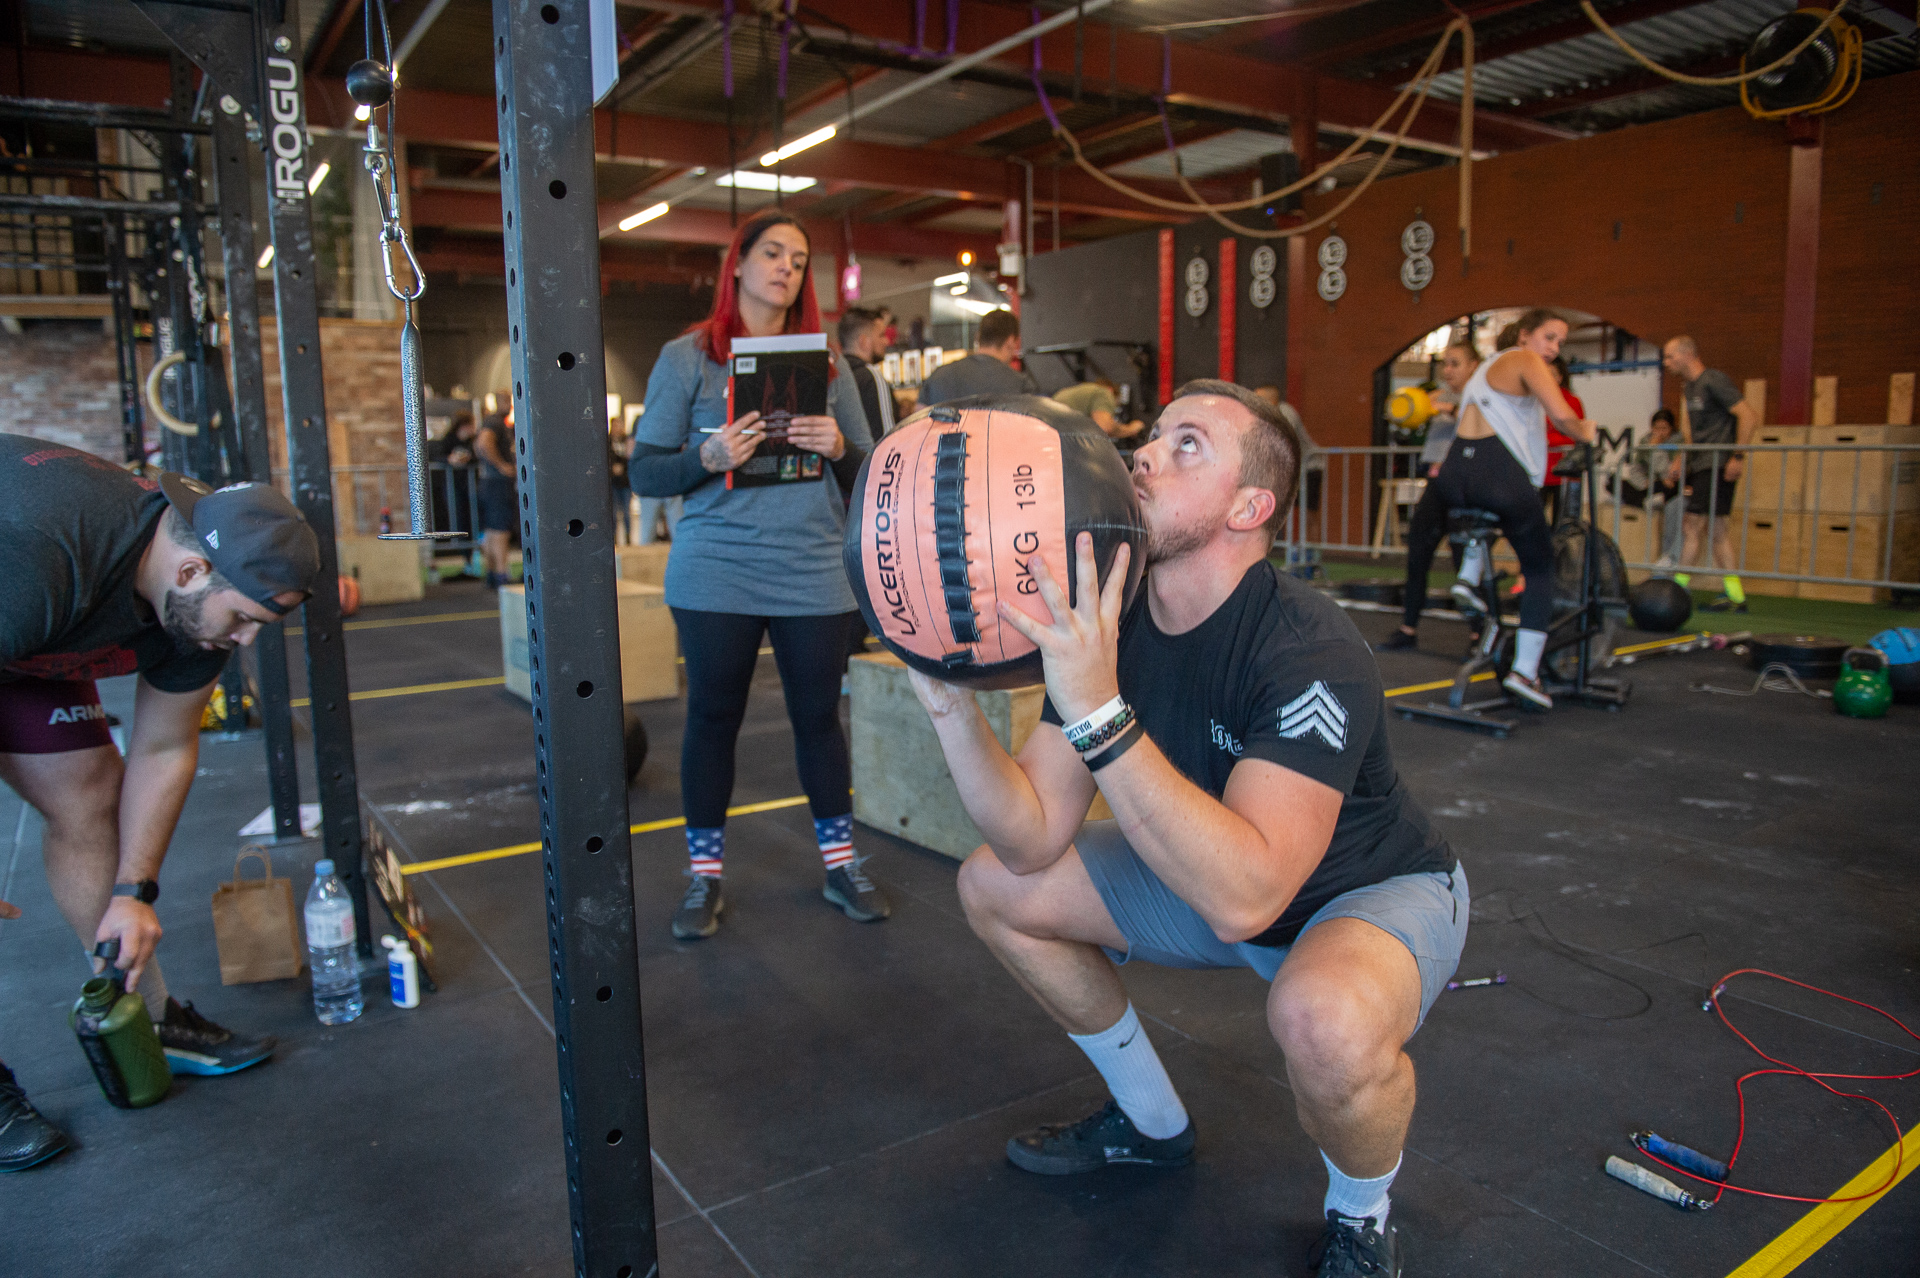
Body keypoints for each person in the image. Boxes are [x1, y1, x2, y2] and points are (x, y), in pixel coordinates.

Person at [909, 381, 1464, 1277]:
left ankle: (1361, 1217)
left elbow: (1250, 899)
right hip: (1207, 877)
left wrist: (1098, 711)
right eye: (1155, 434)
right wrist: (947, 705)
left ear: (1250, 507)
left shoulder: (1308, 649)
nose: (1146, 453)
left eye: (1189, 445)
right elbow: (1029, 837)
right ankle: (1150, 1122)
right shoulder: (1114, 619)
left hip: (1357, 894)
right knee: (994, 885)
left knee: (1322, 1021)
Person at [0, 439, 319, 1170]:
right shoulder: (41, 555)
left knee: (90, 792)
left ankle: (146, 1018)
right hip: (18, 592)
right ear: (190, 571)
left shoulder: (201, 594)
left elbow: (165, 748)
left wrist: (133, 892)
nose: (243, 641)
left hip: (28, 638)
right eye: (242, 620)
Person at [629, 210, 889, 941]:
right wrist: (705, 459)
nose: (786, 268)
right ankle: (703, 877)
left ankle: (841, 866)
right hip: (717, 567)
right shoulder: (688, 359)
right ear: (738, 264)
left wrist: (838, 445)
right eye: (773, 253)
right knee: (713, 718)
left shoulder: (829, 364)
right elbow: (644, 472)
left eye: (799, 260)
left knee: (818, 718)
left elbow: (871, 471)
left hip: (811, 564)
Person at [1382, 309, 1598, 711]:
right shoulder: (1525, 359)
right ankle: (1525, 672)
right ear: (1525, 335)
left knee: (1489, 519)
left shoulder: (1484, 373)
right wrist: (1587, 431)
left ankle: (1469, 578)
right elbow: (1564, 416)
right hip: (1497, 471)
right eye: (1549, 337)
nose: (1554, 348)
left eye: (1560, 342)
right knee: (1540, 568)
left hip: (1457, 472)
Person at [1662, 336, 1758, 612]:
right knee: (1716, 531)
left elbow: (1748, 415)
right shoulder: (1689, 388)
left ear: (1687, 354)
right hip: (1703, 463)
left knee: (1692, 525)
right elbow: (1692, 433)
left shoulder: (1713, 380)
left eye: (1670, 356)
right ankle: (1735, 597)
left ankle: (1677, 590)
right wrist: (1681, 458)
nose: (1666, 363)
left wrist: (1737, 456)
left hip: (1717, 464)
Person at [919, 308, 1029, 406]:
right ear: (1011, 341)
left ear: (977, 337)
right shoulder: (1020, 385)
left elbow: (918, 417)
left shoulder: (938, 376)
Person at [838, 306, 896, 438]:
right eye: (881, 335)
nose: (886, 341)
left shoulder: (834, 377)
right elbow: (888, 438)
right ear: (863, 341)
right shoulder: (872, 377)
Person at [475, 408, 517, 588]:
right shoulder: (495, 422)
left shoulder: (492, 422)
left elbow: (479, 445)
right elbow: (483, 443)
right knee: (500, 528)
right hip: (497, 483)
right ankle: (501, 574)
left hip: (490, 482)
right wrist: (501, 466)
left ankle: (494, 573)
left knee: (492, 529)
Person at [1053, 375, 1144, 443]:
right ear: (1111, 390)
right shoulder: (1104, 392)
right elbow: (1105, 428)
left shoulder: (1078, 392)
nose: (1112, 410)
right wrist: (1131, 429)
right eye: (1115, 405)